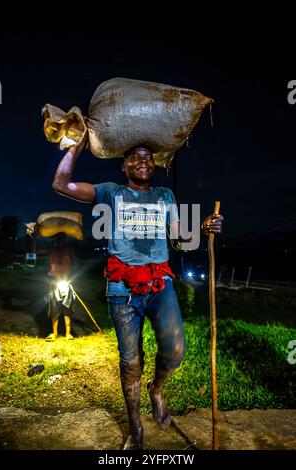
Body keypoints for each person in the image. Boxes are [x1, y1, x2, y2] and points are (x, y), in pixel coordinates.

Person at [52, 142, 223, 449]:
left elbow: (180, 238)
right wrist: (76, 146)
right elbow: (61, 184)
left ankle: (156, 389)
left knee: (175, 350)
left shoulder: (164, 196)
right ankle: (136, 429)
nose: (143, 160)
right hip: (122, 291)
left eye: (148, 157)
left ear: (153, 165)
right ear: (124, 166)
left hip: (159, 285)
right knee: (130, 361)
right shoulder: (110, 192)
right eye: (134, 157)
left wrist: (203, 226)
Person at [46, 232, 75, 341]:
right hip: (54, 283)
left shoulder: (69, 251)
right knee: (54, 307)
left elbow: (73, 265)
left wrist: (70, 278)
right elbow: (47, 266)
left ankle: (68, 333)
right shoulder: (51, 251)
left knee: (67, 307)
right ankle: (54, 333)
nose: (59, 240)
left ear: (64, 239)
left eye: (61, 238)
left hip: (67, 282)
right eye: (57, 238)